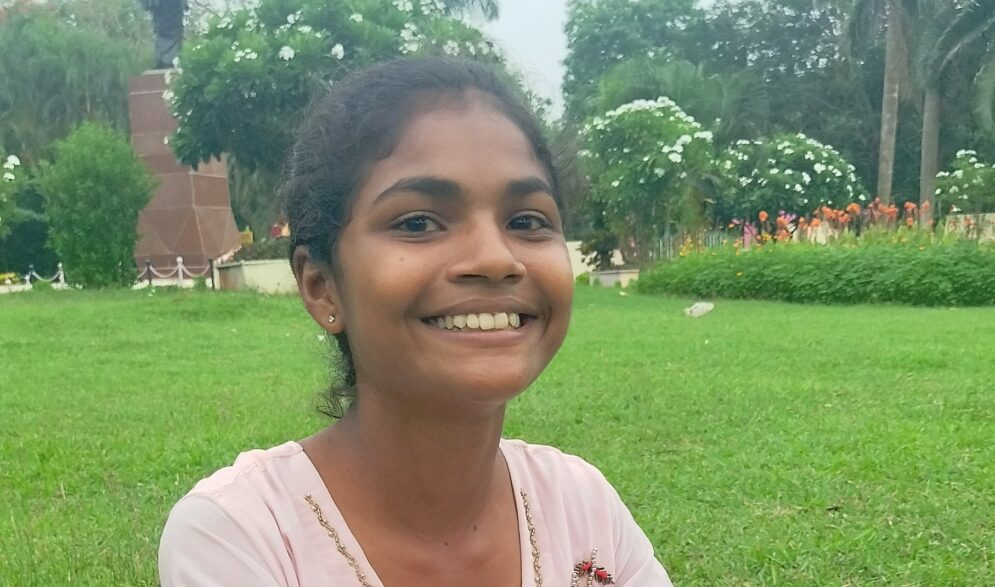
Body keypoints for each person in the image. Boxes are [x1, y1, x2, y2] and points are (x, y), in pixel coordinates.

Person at [158, 57, 672, 586]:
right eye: (419, 222)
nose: (497, 259)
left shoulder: (580, 506)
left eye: (526, 221)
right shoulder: (245, 535)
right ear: (321, 285)